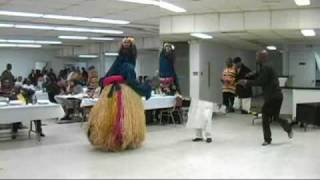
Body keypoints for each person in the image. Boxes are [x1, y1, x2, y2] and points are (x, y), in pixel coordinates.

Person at [87, 37, 151, 152]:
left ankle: (117, 138)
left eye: (128, 43)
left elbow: (116, 76)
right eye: (124, 43)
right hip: (119, 90)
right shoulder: (124, 63)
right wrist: (145, 88)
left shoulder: (124, 62)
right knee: (118, 115)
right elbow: (127, 79)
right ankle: (118, 138)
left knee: (117, 116)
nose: (125, 44)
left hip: (117, 90)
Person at [238, 50, 293, 146]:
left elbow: (260, 81)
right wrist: (252, 74)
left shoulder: (266, 67)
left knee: (264, 115)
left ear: (263, 57)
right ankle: (288, 128)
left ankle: (267, 139)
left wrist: (247, 82)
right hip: (277, 96)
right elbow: (260, 75)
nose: (256, 59)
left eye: (257, 57)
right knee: (275, 117)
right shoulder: (266, 67)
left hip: (272, 96)